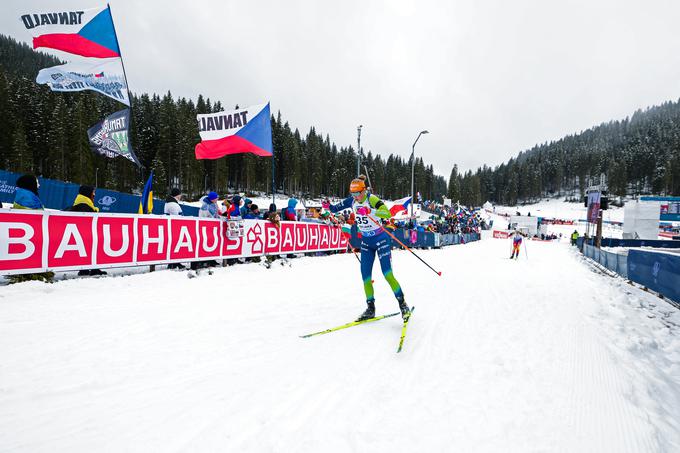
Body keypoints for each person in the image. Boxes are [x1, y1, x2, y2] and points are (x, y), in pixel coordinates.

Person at [324, 175, 409, 321]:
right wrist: (327, 206)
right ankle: (370, 309)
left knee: (387, 274)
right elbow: (334, 208)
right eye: (353, 194)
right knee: (366, 277)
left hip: (381, 239)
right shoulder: (352, 201)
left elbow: (387, 213)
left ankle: (403, 305)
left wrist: (370, 212)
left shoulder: (372, 199)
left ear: (364, 191)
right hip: (366, 242)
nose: (355, 197)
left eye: (357, 193)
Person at [67, 186, 107, 276]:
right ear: (87, 194)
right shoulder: (84, 206)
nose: (94, 195)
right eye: (93, 192)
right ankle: (90, 269)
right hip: (85, 235)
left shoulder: (82, 204)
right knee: (92, 248)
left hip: (83, 235)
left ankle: (87, 269)